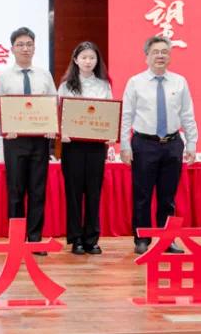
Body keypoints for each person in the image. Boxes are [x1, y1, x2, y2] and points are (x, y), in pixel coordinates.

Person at [120, 35, 198, 255]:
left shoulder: (179, 82)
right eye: (155, 52)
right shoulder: (135, 82)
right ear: (147, 56)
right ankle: (142, 239)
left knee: (168, 197)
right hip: (144, 144)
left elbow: (187, 114)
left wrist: (192, 142)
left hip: (172, 144)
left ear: (170, 56)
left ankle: (167, 240)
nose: (160, 56)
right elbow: (126, 115)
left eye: (164, 52)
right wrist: (124, 144)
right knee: (142, 195)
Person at [0, 27, 57, 256]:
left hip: (39, 141)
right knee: (16, 191)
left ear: (34, 48)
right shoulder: (3, 77)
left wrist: (52, 126)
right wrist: (5, 125)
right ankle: (17, 240)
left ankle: (35, 239)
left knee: (38, 190)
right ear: (12, 49)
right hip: (14, 140)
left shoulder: (44, 75)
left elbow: (53, 105)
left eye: (29, 44)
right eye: (20, 44)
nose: (25, 48)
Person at [57, 41, 113, 255]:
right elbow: (59, 113)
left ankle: (92, 238)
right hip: (73, 145)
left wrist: (109, 134)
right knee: (73, 192)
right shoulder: (66, 86)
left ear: (97, 61)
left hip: (96, 145)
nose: (88, 61)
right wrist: (63, 131)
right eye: (84, 57)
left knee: (93, 192)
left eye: (92, 57)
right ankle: (76, 238)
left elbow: (109, 113)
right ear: (76, 60)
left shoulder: (104, 85)